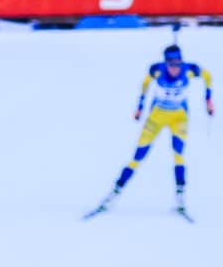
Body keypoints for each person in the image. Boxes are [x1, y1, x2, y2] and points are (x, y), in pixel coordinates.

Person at [87, 45, 214, 222]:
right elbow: (145, 84)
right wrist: (140, 106)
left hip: (179, 118)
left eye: (178, 63)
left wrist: (208, 99)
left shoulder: (190, 71)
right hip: (157, 116)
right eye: (171, 64)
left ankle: (180, 201)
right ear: (166, 63)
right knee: (137, 157)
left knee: (178, 156)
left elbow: (207, 76)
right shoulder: (157, 71)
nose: (175, 68)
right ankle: (112, 196)